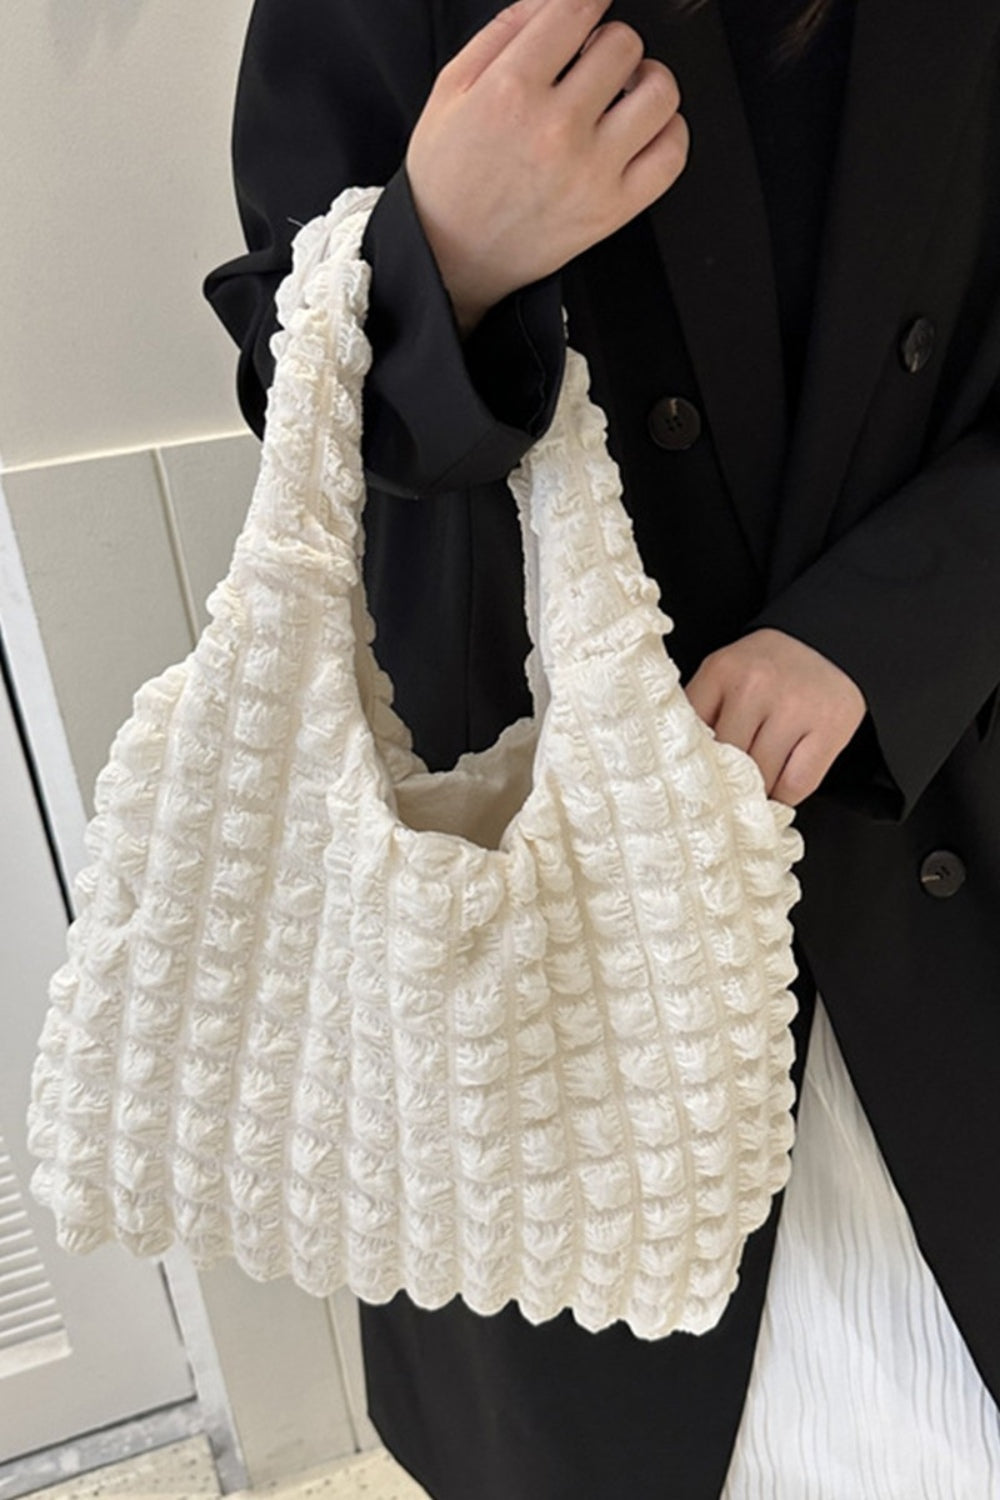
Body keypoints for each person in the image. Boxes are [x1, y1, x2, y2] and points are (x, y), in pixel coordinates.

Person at [202, 0, 1000, 1493]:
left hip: (944, 809)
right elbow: (295, 363)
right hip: (552, 954)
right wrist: (444, 255)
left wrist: (894, 628)